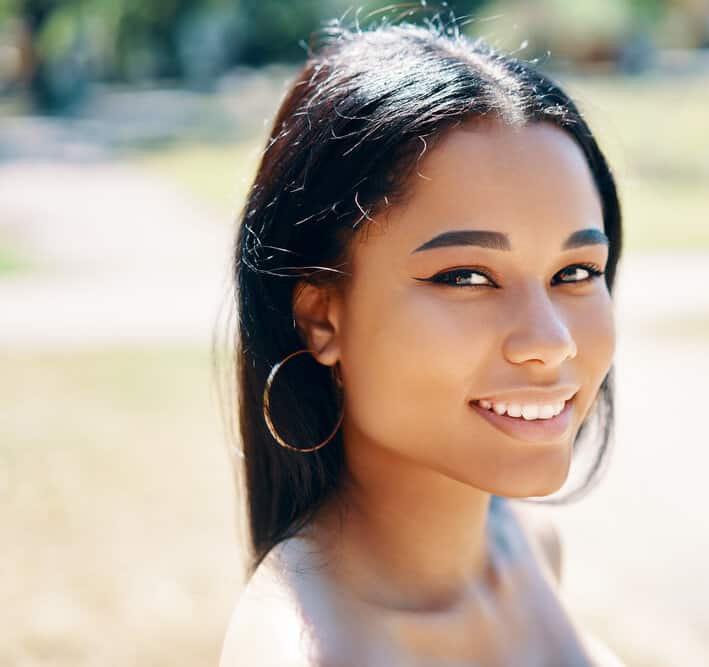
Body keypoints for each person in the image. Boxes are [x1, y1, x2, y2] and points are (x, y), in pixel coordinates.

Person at [218, 15, 624, 667]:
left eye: (574, 272)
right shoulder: (308, 651)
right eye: (467, 277)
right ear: (322, 317)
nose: (550, 342)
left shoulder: (528, 542)